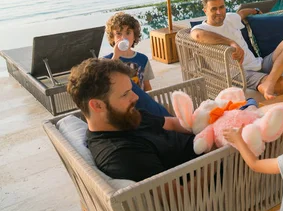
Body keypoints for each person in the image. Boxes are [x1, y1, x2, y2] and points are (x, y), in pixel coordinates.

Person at [67, 58, 197, 182]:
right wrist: (216, 153)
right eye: (125, 94)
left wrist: (205, 125)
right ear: (97, 105)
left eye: (131, 90)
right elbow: (176, 194)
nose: (135, 97)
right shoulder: (120, 155)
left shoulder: (125, 117)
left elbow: (172, 123)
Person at [191, 0, 283, 100]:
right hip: (240, 73)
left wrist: (255, 11)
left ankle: (268, 83)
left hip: (258, 63)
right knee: (282, 84)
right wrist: (231, 42)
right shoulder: (202, 29)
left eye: (221, 7)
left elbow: (241, 13)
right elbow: (198, 35)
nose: (219, 12)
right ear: (205, 11)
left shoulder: (230, 18)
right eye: (214, 9)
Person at [104, 12, 154, 91]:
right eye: (118, 34)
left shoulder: (143, 59)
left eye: (128, 33)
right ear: (112, 38)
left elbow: (147, 86)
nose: (123, 38)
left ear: (134, 36)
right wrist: (116, 57)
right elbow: (105, 82)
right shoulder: (106, 61)